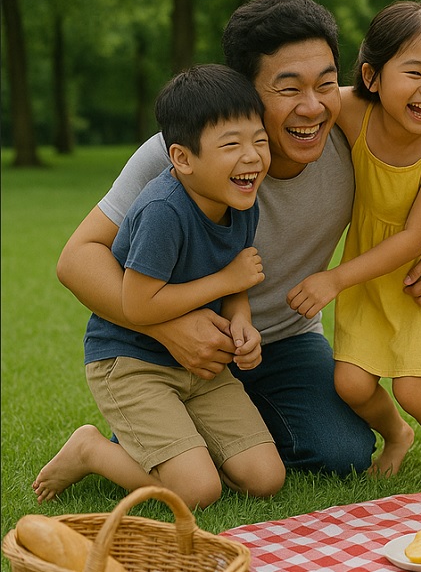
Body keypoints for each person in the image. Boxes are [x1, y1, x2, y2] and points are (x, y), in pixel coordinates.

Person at [49, 0, 421, 479]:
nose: (312, 107)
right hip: (177, 343)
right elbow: (77, 258)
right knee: (202, 459)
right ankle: (168, 439)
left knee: (341, 454)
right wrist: (167, 328)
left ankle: (198, 440)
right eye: (289, 89)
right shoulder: (181, 155)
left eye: (324, 84)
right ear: (246, 92)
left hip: (283, 338)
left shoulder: (349, 127)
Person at [34, 64, 285, 509]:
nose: (252, 157)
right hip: (132, 361)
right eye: (231, 145)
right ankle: (92, 449)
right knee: (197, 492)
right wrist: (226, 280)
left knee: (265, 478)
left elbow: (237, 285)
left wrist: (242, 322)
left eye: (259, 141)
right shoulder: (162, 211)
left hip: (202, 369)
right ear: (182, 158)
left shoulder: (241, 198)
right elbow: (137, 304)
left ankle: (181, 449)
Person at [288, 0, 421, 489]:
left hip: (420, 277)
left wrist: (333, 278)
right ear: (372, 76)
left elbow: (416, 237)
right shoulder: (353, 112)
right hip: (370, 281)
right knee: (352, 384)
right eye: (414, 72)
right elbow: (303, 104)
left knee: (413, 388)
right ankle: (397, 435)